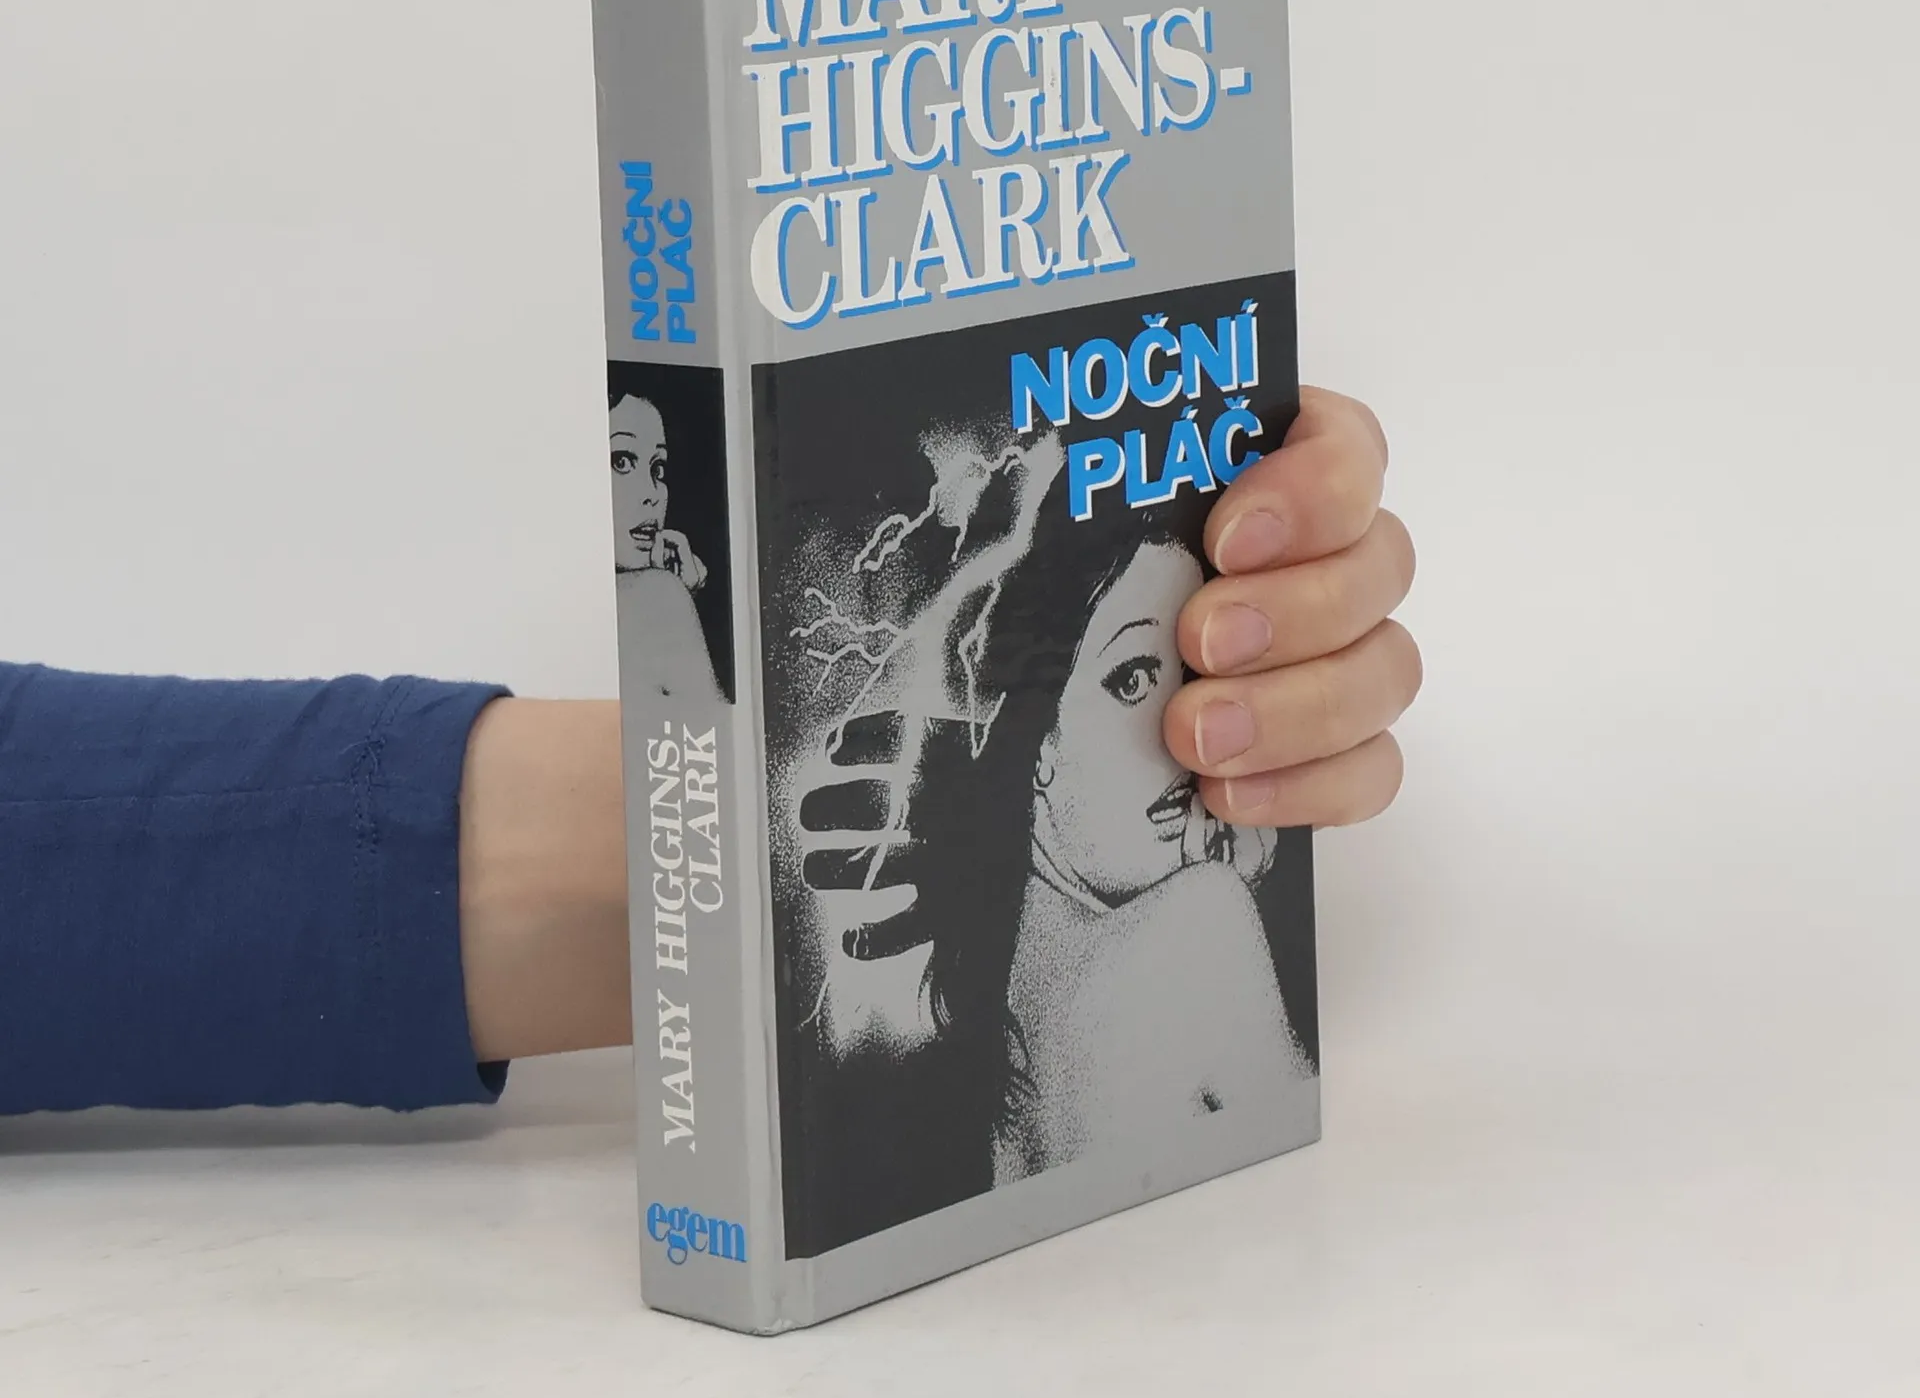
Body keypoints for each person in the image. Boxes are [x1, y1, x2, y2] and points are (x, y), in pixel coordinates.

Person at [0, 388, 1419, 1119]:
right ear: (1018, 729)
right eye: (1124, 676)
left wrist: (728, 836)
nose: (1173, 731)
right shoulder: (1182, 942)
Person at [609, 385, 722, 704]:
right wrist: (677, 599)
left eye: (657, 469)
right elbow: (721, 729)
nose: (652, 493)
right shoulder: (659, 596)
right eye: (621, 461)